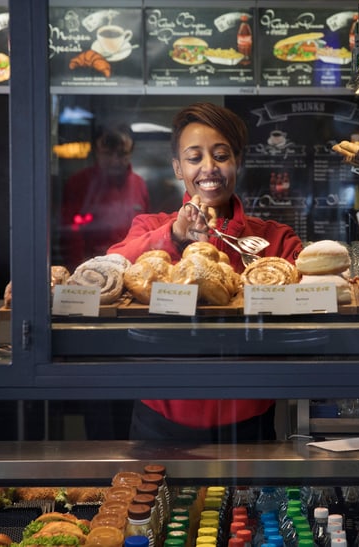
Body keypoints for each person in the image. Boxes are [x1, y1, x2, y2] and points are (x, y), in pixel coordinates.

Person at [108, 102, 303, 442]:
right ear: (178, 168)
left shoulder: (275, 239)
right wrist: (174, 237)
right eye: (195, 157)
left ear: (237, 161)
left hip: (249, 423)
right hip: (159, 422)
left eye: (222, 155)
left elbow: (314, 302)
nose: (209, 168)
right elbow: (112, 265)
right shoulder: (151, 228)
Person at [59, 124, 150, 269]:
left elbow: (145, 232)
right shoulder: (78, 183)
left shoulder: (139, 184)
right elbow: (71, 237)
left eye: (122, 154)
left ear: (130, 153)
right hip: (88, 269)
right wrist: (79, 271)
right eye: (108, 153)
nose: (115, 161)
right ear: (96, 152)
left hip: (130, 268)